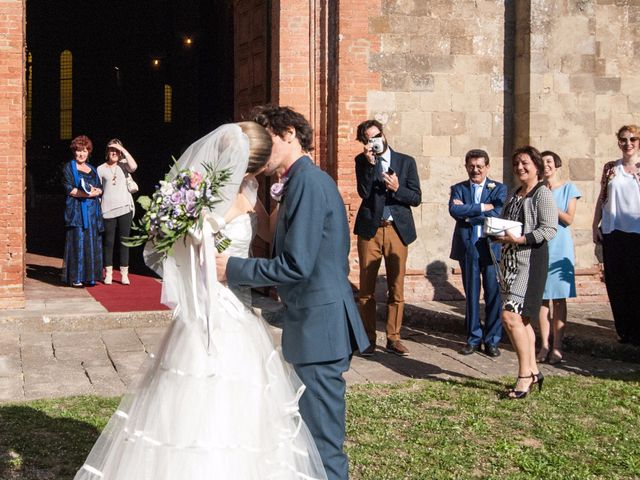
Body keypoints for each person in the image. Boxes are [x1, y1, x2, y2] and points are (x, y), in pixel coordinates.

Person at [74, 122, 328, 480]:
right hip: (212, 306)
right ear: (249, 162)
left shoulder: (253, 188)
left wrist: (288, 201)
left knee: (243, 404)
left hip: (240, 309)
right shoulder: (202, 198)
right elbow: (190, 248)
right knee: (198, 396)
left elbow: (271, 233)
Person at [217, 106, 370, 480]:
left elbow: (294, 265)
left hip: (322, 329)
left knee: (322, 444)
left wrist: (231, 269)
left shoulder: (309, 183)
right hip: (313, 325)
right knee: (309, 439)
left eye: (264, 140)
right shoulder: (296, 182)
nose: (258, 153)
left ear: (288, 133)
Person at [353, 119, 422, 356]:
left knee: (396, 288)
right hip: (370, 229)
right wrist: (370, 166)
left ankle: (393, 338)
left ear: (384, 134)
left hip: (397, 229)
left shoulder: (406, 161)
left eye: (378, 135)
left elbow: (415, 197)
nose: (376, 141)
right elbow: (363, 192)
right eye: (369, 138)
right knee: (366, 290)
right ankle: (368, 339)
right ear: (364, 142)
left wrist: (397, 188)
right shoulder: (361, 161)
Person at [494, 146, 556, 399]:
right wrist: (500, 233)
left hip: (530, 263)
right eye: (517, 163)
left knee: (510, 317)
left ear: (537, 167)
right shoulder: (515, 193)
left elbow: (549, 229)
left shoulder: (542, 194)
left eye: (525, 163)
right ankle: (533, 370)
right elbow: (509, 223)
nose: (520, 167)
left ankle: (523, 377)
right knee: (522, 320)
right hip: (509, 262)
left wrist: (521, 239)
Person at [449, 149, 507, 357]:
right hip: (468, 247)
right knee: (471, 295)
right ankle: (473, 338)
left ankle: (492, 340)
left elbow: (497, 213)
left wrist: (468, 212)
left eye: (479, 166)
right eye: (471, 166)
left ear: (487, 167)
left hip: (491, 247)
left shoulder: (498, 188)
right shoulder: (458, 188)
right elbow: (454, 211)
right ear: (466, 167)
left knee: (493, 295)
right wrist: (483, 207)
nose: (475, 170)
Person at [592, 125, 640, 345]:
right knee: (616, 282)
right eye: (623, 139)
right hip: (613, 231)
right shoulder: (611, 168)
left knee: (635, 281)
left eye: (633, 139)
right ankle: (624, 330)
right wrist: (595, 225)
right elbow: (603, 196)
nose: (628, 143)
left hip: (637, 232)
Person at [537, 151, 581, 364]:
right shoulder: (537, 189)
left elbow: (569, 218)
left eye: (549, 162)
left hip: (560, 246)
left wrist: (549, 205)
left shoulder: (568, 188)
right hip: (541, 245)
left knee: (559, 298)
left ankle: (557, 346)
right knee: (542, 298)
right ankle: (544, 344)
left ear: (556, 164)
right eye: (542, 162)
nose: (546, 166)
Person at [62, 135, 104, 287]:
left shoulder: (92, 169)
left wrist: (97, 191)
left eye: (85, 150)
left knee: (91, 242)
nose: (82, 154)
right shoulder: (69, 167)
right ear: (74, 151)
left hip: (93, 212)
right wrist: (88, 194)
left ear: (89, 152)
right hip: (77, 212)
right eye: (79, 150)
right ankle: (76, 277)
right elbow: (69, 189)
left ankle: (90, 275)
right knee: (77, 242)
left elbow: (100, 187)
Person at [97, 139, 138, 285]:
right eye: (111, 150)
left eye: (116, 150)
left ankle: (124, 274)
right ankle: (108, 273)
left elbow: (134, 166)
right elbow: (99, 189)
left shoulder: (124, 165)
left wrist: (124, 150)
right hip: (107, 209)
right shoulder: (100, 169)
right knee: (108, 242)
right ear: (107, 152)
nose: (114, 153)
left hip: (125, 208)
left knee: (124, 242)